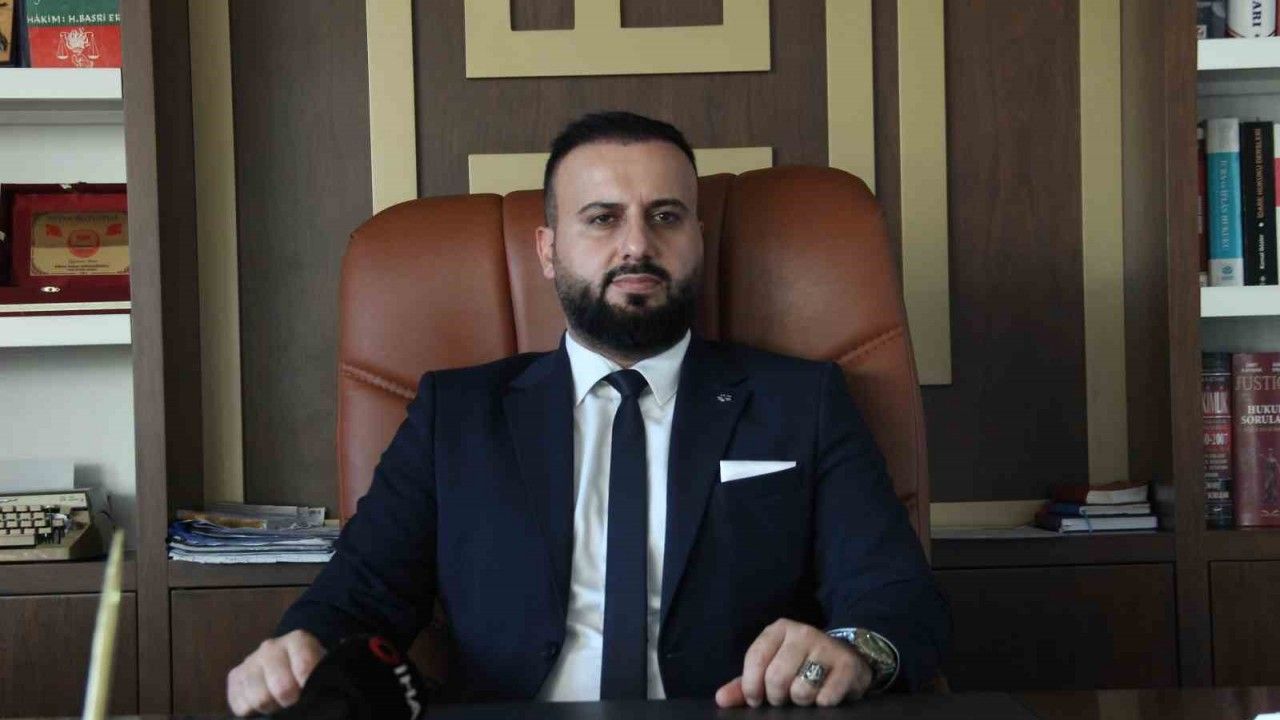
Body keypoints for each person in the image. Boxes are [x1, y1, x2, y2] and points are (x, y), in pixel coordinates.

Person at [226, 111, 949, 716]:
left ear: (697, 238)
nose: (637, 245)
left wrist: (853, 651)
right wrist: (297, 652)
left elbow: (894, 596)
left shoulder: (803, 402)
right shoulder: (456, 415)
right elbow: (358, 597)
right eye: (602, 219)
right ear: (548, 250)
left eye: (666, 216)